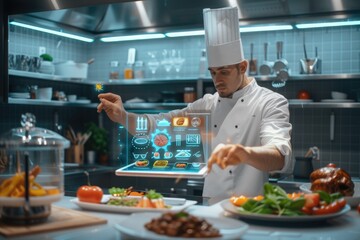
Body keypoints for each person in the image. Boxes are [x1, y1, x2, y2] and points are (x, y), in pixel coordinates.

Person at [97, 6, 292, 199]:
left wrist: (245, 153)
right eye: (213, 72)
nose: (217, 80)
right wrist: (123, 117)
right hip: (211, 205)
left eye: (224, 71)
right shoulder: (206, 106)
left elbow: (279, 156)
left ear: (242, 67)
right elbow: (158, 125)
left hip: (251, 209)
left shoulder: (270, 102)